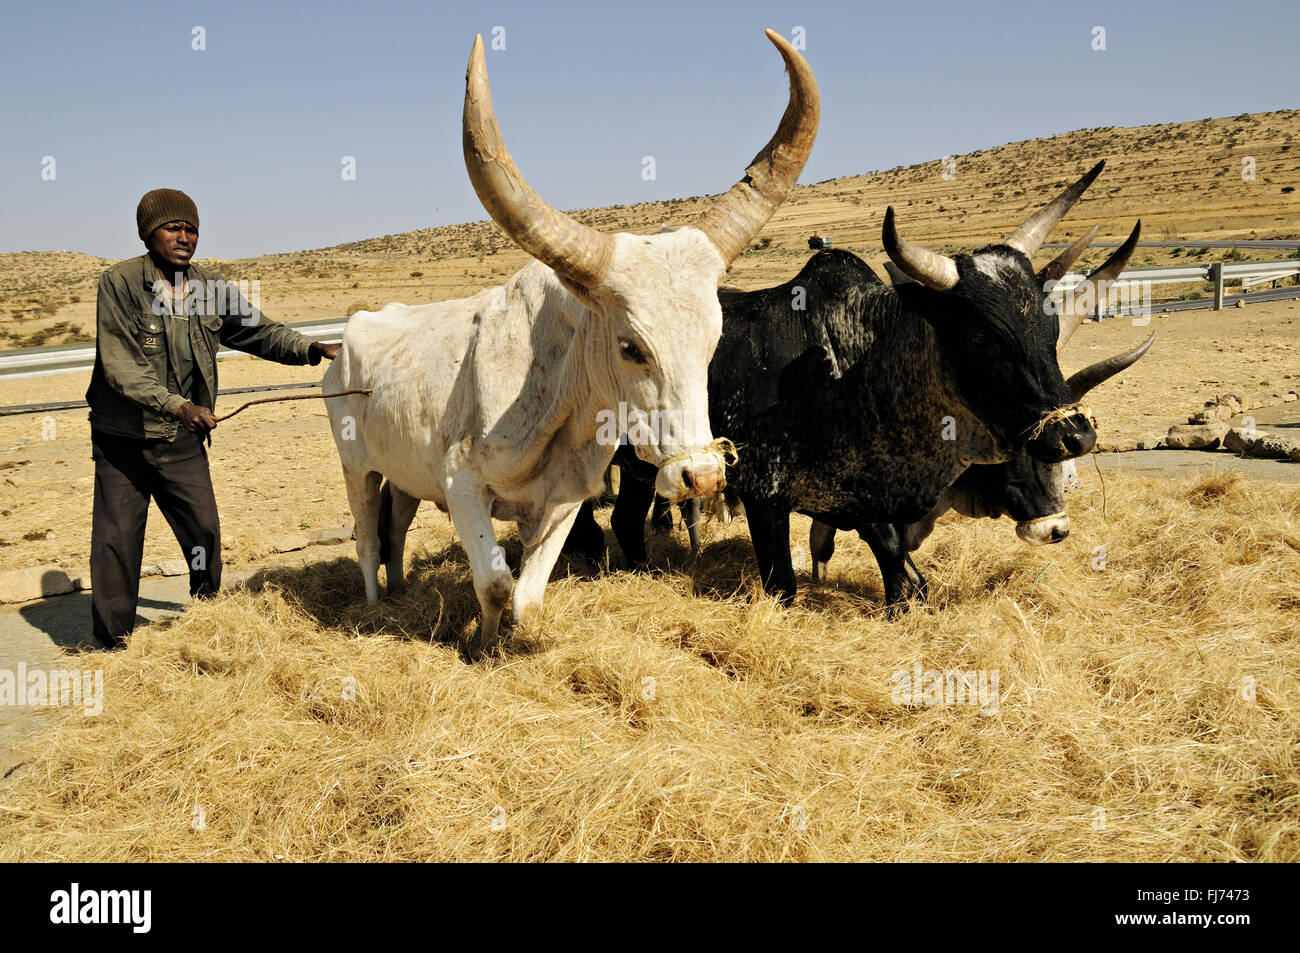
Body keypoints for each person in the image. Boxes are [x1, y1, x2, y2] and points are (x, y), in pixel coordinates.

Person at [85, 188, 340, 649]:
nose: (184, 237)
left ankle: (208, 618)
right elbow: (121, 367)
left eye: (191, 228)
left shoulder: (211, 289)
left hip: (181, 439)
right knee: (117, 543)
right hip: (123, 439)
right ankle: (112, 645)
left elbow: (259, 332)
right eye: (173, 227)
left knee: (203, 531)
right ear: (149, 233)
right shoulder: (119, 284)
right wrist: (179, 405)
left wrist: (310, 349)